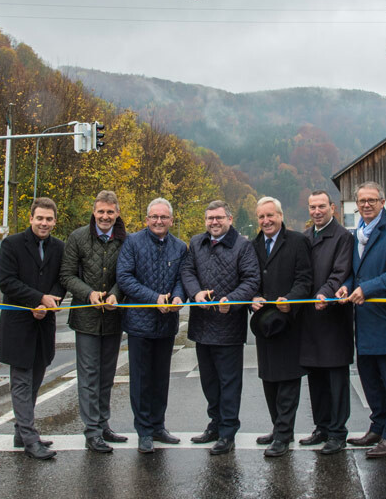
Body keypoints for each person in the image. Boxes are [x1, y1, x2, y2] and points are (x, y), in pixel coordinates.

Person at [336, 181, 386, 458]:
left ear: (383, 202)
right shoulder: (357, 233)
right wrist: (347, 284)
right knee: (369, 378)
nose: (366, 205)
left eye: (371, 200)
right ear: (356, 204)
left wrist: (366, 289)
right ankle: (377, 427)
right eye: (361, 201)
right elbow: (355, 271)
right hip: (364, 320)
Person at [180, 200, 260, 455]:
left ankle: (228, 432)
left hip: (229, 327)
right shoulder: (196, 242)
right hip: (202, 325)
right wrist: (195, 293)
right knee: (209, 381)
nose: (214, 222)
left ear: (229, 218)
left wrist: (233, 300)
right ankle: (214, 424)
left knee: (229, 383)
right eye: (210, 218)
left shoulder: (243, 246)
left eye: (218, 218)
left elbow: (251, 279)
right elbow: (187, 271)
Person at [0, 197, 64, 460]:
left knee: (35, 380)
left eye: (48, 219)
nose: (44, 223)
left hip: (44, 325)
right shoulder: (12, 244)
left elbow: (62, 279)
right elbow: (8, 282)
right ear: (31, 218)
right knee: (21, 381)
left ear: (55, 221)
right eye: (39, 218)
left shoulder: (59, 247)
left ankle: (20, 432)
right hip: (19, 325)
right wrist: (37, 299)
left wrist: (52, 299)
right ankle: (30, 438)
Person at [116, 197, 186, 454]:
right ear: (146, 219)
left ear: (171, 220)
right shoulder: (132, 242)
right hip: (139, 325)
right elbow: (124, 277)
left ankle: (158, 426)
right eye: (154, 217)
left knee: (160, 379)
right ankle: (144, 430)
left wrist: (179, 297)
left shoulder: (180, 247)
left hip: (166, 324)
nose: (159, 221)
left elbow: (182, 278)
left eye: (163, 217)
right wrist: (153, 298)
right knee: (141, 380)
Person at [60, 190, 128, 454]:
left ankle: (103, 423)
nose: (105, 216)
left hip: (112, 318)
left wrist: (114, 294)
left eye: (110, 212)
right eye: (101, 211)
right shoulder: (78, 237)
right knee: (89, 375)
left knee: (107, 375)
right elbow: (66, 275)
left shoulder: (125, 240)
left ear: (117, 213)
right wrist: (87, 293)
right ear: (94, 212)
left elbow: (126, 275)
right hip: (86, 319)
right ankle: (91, 431)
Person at [250, 196, 312, 458]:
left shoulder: (298, 241)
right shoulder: (253, 245)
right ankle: (278, 428)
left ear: (280, 215)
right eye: (262, 217)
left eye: (270, 215)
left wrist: (293, 300)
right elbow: (249, 277)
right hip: (264, 323)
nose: (266, 221)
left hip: (288, 321)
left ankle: (284, 435)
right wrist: (252, 296)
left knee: (287, 379)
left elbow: (305, 278)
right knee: (269, 379)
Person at [298, 190, 354, 455]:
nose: (317, 211)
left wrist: (326, 293)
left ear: (332, 207)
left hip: (333, 318)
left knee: (335, 379)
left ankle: (337, 432)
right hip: (309, 318)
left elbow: (341, 272)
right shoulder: (305, 237)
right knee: (315, 378)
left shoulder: (343, 237)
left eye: (321, 206)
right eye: (312, 207)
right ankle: (320, 427)